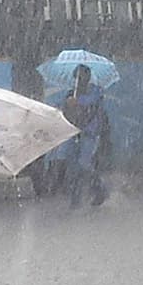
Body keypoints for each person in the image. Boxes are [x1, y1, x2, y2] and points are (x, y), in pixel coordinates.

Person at [59, 64, 110, 207]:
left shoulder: (96, 91)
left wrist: (78, 102)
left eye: (82, 77)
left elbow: (93, 103)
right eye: (77, 78)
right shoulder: (71, 93)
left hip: (90, 134)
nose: (79, 81)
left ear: (88, 78)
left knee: (84, 164)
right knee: (73, 166)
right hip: (74, 133)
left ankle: (99, 190)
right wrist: (68, 104)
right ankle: (75, 199)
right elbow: (65, 110)